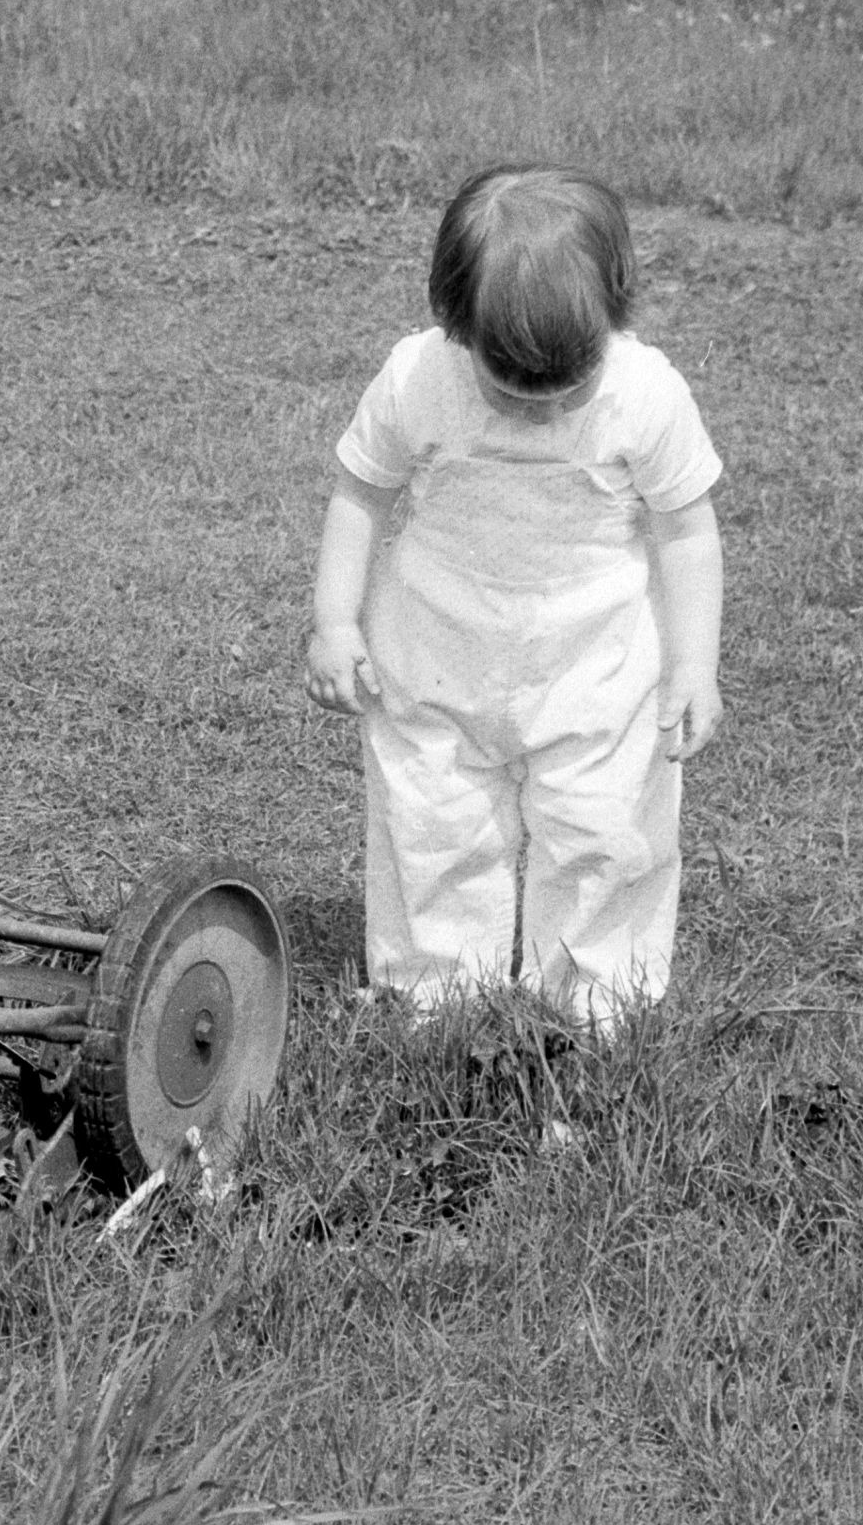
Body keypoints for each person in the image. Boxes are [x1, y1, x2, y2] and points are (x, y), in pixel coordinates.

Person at [302, 164, 723, 1023]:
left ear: (613, 313)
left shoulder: (644, 395)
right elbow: (360, 491)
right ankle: (436, 995)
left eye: (566, 385)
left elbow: (686, 531)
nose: (538, 405)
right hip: (433, 649)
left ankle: (594, 1002)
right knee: (431, 823)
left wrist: (694, 663)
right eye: (509, 385)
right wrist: (334, 620)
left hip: (598, 660)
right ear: (454, 322)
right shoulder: (417, 377)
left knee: (603, 829)